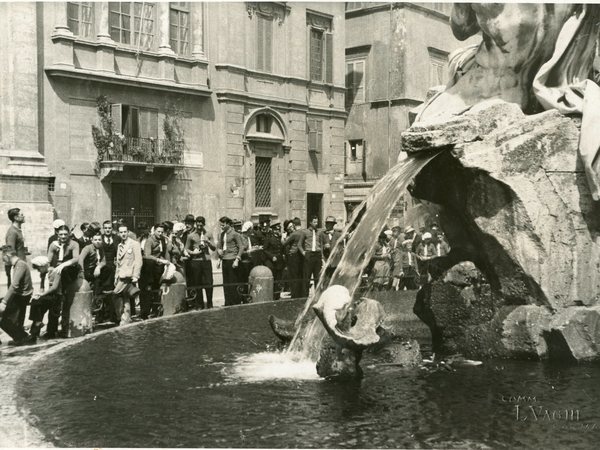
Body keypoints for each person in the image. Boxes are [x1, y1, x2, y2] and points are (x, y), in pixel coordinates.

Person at [47, 224, 81, 337]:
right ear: (57, 234)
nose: (63, 237)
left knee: (66, 302)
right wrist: (50, 271)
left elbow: (76, 259)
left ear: (69, 234)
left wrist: (63, 265)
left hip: (68, 273)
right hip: (56, 275)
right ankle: (51, 330)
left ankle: (65, 329)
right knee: (54, 300)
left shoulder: (74, 244)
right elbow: (48, 261)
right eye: (61, 234)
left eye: (65, 234)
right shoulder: (53, 245)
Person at [0, 246, 35, 346]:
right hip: (20, 296)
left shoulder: (20, 265)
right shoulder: (18, 264)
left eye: (3, 258)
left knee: (3, 320)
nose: (3, 261)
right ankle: (20, 337)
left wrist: (4, 302)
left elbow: (14, 285)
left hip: (21, 297)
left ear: (7, 255)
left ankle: (22, 337)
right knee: (13, 320)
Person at [114, 223, 142, 324]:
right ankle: (126, 318)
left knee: (116, 294)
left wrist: (135, 275)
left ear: (128, 232)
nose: (123, 234)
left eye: (125, 232)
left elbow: (138, 261)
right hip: (120, 275)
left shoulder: (134, 244)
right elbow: (118, 263)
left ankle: (121, 316)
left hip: (128, 275)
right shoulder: (119, 245)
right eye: (121, 232)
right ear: (118, 233)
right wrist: (115, 276)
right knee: (125, 296)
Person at [184, 216, 216, 309]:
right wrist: (193, 252)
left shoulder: (208, 234)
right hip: (196, 262)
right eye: (197, 225)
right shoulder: (191, 236)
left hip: (206, 261)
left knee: (209, 283)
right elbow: (186, 249)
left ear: (203, 224)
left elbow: (214, 248)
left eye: (201, 225)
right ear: (195, 224)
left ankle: (210, 303)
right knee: (197, 283)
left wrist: (208, 242)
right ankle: (200, 304)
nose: (199, 227)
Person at [141, 223, 170, 319]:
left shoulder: (162, 240)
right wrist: (159, 260)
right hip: (149, 269)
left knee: (156, 289)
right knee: (148, 290)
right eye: (158, 231)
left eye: (162, 232)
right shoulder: (149, 241)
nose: (160, 233)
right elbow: (147, 255)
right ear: (154, 231)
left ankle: (155, 310)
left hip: (158, 268)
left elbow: (163, 252)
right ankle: (145, 313)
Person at [217, 216, 244, 306]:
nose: (222, 227)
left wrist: (237, 259)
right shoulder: (222, 234)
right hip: (225, 260)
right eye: (220, 225)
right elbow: (220, 247)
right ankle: (227, 302)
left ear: (228, 224)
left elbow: (241, 247)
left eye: (223, 225)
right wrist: (219, 258)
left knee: (233, 282)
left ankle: (234, 302)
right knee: (226, 283)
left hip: (232, 260)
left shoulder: (235, 234)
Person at [298, 216, 324, 297]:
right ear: (310, 222)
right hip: (309, 255)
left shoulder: (319, 232)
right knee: (307, 277)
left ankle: (318, 296)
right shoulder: (305, 232)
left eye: (317, 222)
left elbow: (321, 244)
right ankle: (304, 297)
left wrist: (322, 256)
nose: (316, 224)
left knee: (317, 277)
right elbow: (299, 244)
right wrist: (304, 253)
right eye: (314, 222)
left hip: (317, 255)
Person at [4, 207, 27, 287]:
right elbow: (10, 252)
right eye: (22, 215)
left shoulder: (18, 230)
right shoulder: (12, 232)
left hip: (21, 264)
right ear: (16, 218)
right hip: (18, 266)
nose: (24, 216)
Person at [282, 218, 304, 298]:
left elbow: (284, 244)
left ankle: (295, 293)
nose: (291, 228)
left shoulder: (293, 234)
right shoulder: (303, 232)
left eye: (292, 226)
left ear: (294, 225)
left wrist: (283, 238)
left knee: (293, 275)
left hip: (293, 256)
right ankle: (299, 293)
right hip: (299, 255)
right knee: (298, 274)